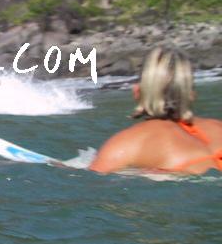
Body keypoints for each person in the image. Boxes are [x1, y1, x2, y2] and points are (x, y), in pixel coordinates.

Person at [90, 47, 222, 174]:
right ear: (191, 94)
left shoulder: (125, 144)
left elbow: (96, 179)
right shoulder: (218, 127)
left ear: (138, 91)